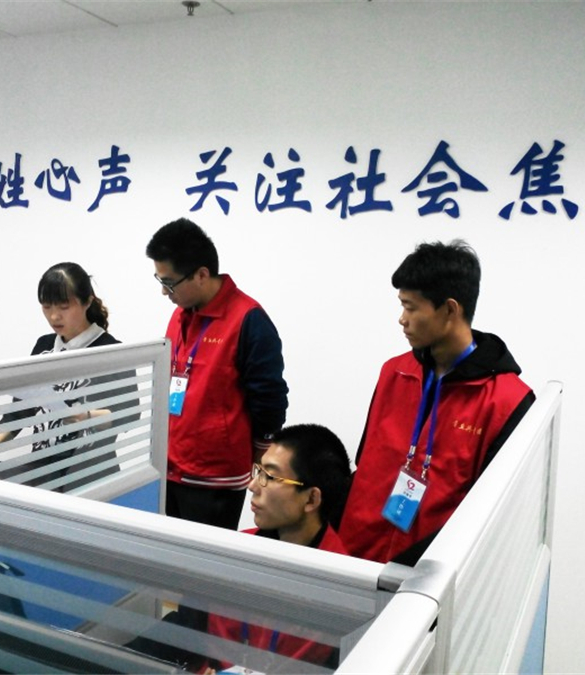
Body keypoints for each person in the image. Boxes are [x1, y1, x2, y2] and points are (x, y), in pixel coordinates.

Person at [338, 240, 535, 566]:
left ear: (450, 310)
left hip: (427, 579)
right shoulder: (395, 372)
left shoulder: (507, 402)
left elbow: (490, 517)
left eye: (411, 307)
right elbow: (364, 464)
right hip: (356, 558)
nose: (402, 319)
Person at [127, 424, 350, 673]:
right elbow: (186, 627)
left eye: (270, 477)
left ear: (311, 499)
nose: (253, 485)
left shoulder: (342, 592)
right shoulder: (237, 551)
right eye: (259, 471)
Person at [146, 218, 288, 530]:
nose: (164, 292)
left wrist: (259, 451)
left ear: (201, 274)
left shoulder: (248, 319)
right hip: (171, 466)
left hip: (214, 478)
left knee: (200, 559)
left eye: (169, 283)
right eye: (159, 281)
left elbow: (270, 398)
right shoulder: (180, 315)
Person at [0, 262, 137, 491]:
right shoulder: (44, 347)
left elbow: (129, 416)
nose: (54, 316)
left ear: (87, 301)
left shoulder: (112, 352)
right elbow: (19, 413)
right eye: (46, 307)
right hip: (44, 472)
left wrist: (87, 416)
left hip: (90, 476)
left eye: (64, 307)